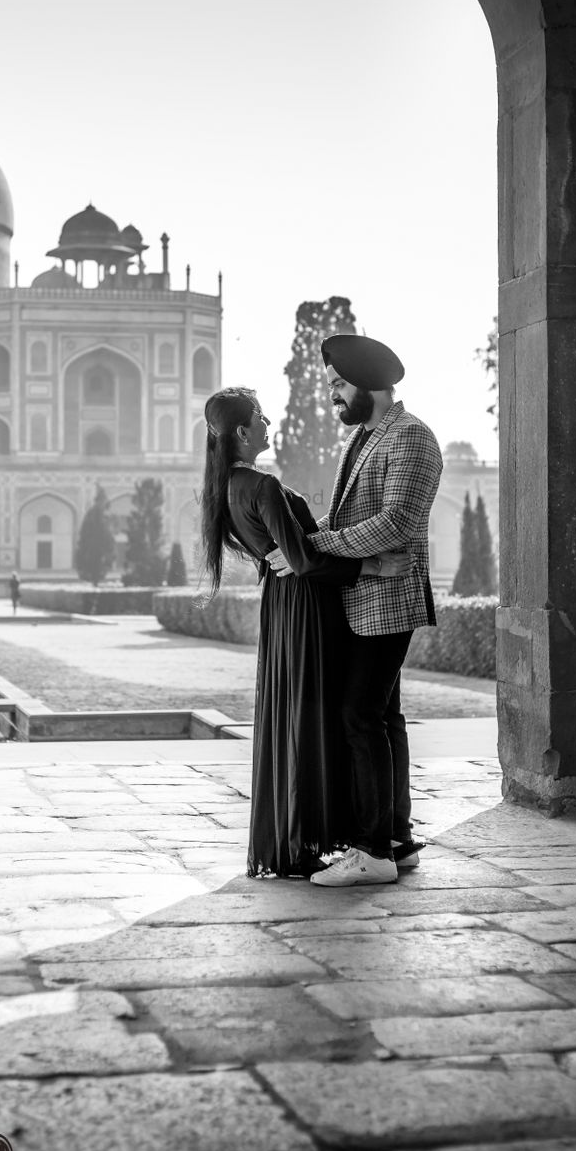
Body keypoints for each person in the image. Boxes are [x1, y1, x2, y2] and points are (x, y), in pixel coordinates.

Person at [199, 386, 412, 879]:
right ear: (242, 432)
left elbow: (292, 553)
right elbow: (302, 561)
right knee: (323, 718)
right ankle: (343, 839)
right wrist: (372, 567)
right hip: (306, 608)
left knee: (299, 717)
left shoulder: (227, 487)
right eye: (261, 417)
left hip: (285, 608)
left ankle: (313, 837)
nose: (269, 423)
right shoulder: (261, 484)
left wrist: (301, 552)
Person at [268, 335, 443, 887]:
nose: (333, 398)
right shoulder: (367, 437)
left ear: (368, 382)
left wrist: (314, 550)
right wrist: (300, 543)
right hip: (365, 597)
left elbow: (395, 525)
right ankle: (395, 839)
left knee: (358, 717)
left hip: (389, 599)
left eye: (338, 386)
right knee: (382, 717)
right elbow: (348, 525)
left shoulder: (411, 438)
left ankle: (371, 852)